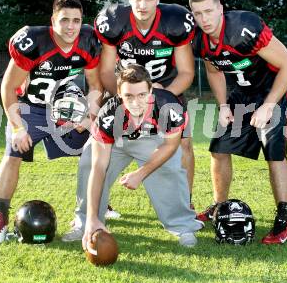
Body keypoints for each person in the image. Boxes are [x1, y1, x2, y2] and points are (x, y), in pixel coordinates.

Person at [0, 0, 103, 245]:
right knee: (13, 154)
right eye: (64, 20)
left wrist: (88, 117)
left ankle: (93, 210)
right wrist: (17, 127)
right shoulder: (34, 42)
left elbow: (95, 86)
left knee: (95, 148)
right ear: (53, 20)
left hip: (66, 109)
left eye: (76, 20)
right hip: (30, 108)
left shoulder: (88, 40)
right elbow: (8, 88)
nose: (71, 26)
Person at [189, 0, 287, 244]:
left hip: (273, 90)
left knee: (275, 152)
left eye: (208, 11)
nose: (204, 19)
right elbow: (214, 71)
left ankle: (284, 220)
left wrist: (269, 105)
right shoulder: (199, 38)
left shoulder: (244, 28)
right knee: (219, 149)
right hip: (241, 94)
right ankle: (219, 206)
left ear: (220, 8)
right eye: (198, 14)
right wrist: (224, 105)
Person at [63, 65, 203, 247]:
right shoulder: (109, 113)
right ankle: (86, 222)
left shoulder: (169, 106)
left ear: (151, 91)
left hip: (152, 139)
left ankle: (182, 225)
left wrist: (140, 173)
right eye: (129, 96)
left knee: (170, 166)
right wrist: (90, 218)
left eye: (142, 95)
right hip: (116, 141)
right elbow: (98, 166)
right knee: (89, 162)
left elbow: (170, 146)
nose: (136, 102)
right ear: (119, 93)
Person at [94, 0, 197, 207]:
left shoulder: (175, 21)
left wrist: (160, 96)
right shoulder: (114, 20)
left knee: (183, 143)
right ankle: (101, 201)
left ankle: (184, 201)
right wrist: (125, 98)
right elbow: (107, 72)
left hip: (167, 89)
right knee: (107, 143)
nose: (143, 4)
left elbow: (186, 73)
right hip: (125, 93)